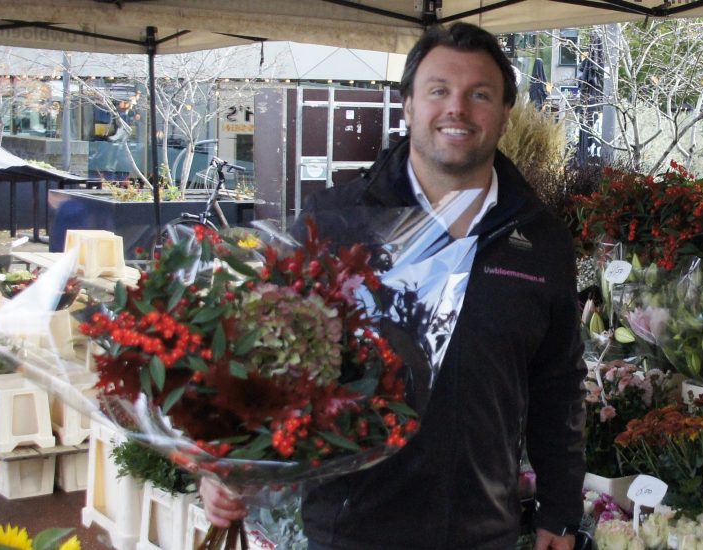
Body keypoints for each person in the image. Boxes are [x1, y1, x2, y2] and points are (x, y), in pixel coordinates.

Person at [199, 23, 585, 550]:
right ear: (407, 106)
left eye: (479, 94)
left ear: (503, 113)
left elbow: (557, 383)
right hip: (353, 529)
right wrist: (226, 459)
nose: (457, 108)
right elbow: (262, 352)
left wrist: (560, 510)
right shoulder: (336, 221)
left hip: (482, 528)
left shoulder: (540, 239)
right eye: (439, 90)